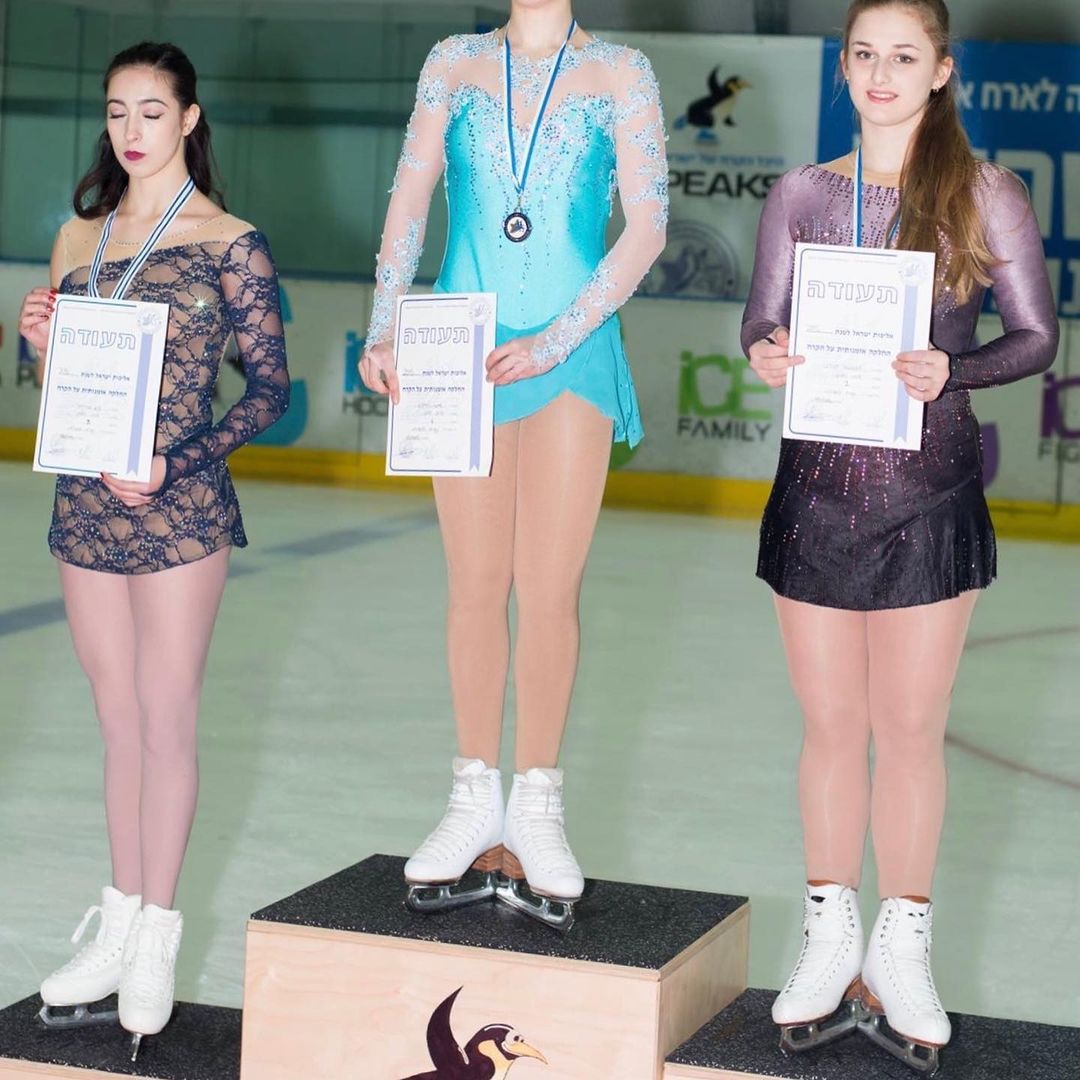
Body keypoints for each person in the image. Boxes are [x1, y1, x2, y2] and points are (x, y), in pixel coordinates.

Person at [741, 0, 1058, 1071]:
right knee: (831, 727)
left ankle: (904, 944)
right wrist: (767, 348)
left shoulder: (987, 194)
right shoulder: (800, 194)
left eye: (904, 56)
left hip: (929, 496)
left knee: (911, 729)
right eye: (865, 54)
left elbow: (1037, 336)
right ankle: (830, 932)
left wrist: (952, 369)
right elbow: (759, 318)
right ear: (844, 66)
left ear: (942, 70)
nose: (882, 73)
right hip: (816, 495)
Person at [360, 0, 667, 929]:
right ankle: (471, 794)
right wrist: (384, 324)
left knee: (549, 589)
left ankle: (537, 801)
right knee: (473, 583)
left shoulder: (623, 72)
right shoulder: (452, 61)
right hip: (459, 344)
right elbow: (409, 201)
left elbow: (648, 227)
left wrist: (558, 338)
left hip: (571, 350)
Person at [18, 41, 289, 1056]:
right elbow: (64, 392)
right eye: (116, 112)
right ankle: (119, 919)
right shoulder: (77, 239)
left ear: (189, 119)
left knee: (167, 720)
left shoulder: (231, 242)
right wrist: (40, 346)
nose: (131, 131)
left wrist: (180, 459)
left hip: (180, 509)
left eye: (151, 111)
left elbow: (269, 391)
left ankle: (157, 939)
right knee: (117, 721)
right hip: (87, 506)